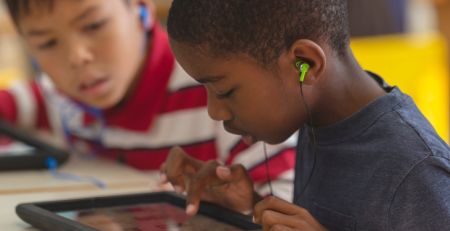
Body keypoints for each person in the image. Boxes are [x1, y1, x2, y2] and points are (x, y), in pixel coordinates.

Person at [160, 0, 450, 230]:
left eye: (224, 91)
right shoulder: (315, 117)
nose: (214, 112)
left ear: (305, 64)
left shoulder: (418, 170)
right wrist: (251, 208)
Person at [0, 0, 296, 200]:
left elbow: (288, 196)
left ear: (141, 8)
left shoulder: (220, 88)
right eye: (47, 43)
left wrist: (240, 208)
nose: (77, 57)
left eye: (93, 25)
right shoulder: (61, 96)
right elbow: (19, 102)